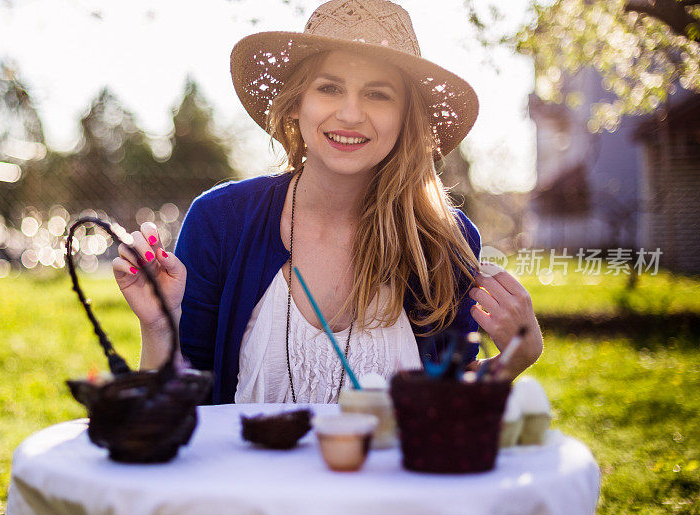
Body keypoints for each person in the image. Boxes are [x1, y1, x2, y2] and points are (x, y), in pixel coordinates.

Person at [112, 0, 544, 404]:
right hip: (243, 487)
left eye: (378, 94)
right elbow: (180, 408)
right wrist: (157, 326)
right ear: (297, 103)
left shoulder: (442, 239)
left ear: (405, 116)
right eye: (329, 88)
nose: (351, 114)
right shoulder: (221, 221)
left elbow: (447, 409)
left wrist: (513, 360)